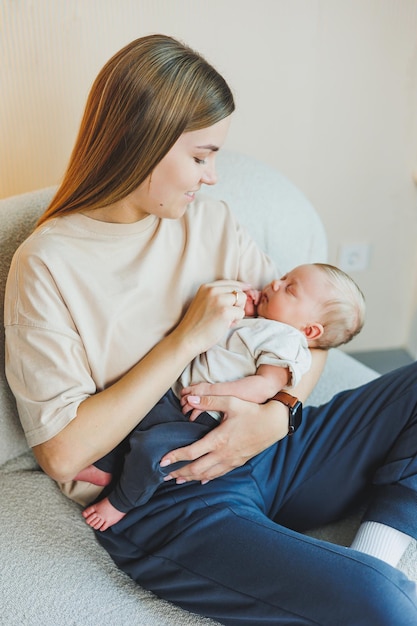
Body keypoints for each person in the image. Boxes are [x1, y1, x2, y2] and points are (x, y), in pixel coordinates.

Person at [4, 34, 417, 626]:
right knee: (383, 603)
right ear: (141, 143)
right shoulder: (48, 265)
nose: (214, 176)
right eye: (201, 157)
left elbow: (305, 338)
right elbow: (63, 451)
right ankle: (368, 578)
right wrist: (184, 341)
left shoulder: (209, 220)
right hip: (173, 488)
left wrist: (276, 414)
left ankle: (377, 546)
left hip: (270, 446)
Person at [78, 262, 366, 532]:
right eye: (284, 277)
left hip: (205, 419)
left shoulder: (286, 342)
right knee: (133, 414)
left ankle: (121, 502)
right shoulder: (264, 321)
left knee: (154, 451)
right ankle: (105, 468)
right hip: (181, 393)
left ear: (310, 330)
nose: (276, 284)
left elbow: (265, 386)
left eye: (290, 289)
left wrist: (213, 392)